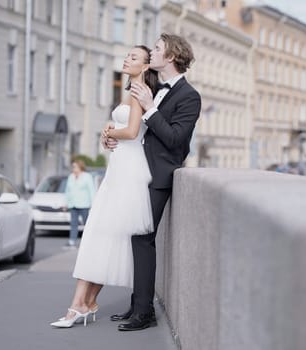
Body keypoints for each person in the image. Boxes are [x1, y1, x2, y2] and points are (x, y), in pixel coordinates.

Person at [50, 45, 159, 328]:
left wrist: (111, 132)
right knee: (103, 235)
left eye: (133, 57)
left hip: (130, 170)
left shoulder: (139, 91)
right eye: (127, 55)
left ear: (146, 66)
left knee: (105, 233)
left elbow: (133, 131)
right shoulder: (132, 91)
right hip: (119, 166)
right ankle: (83, 304)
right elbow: (125, 131)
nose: (126, 59)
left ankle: (81, 305)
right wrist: (107, 135)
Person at [105, 33, 201, 332]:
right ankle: (138, 304)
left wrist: (151, 108)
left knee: (143, 239)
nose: (153, 52)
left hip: (159, 177)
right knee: (136, 238)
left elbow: (175, 140)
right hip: (138, 172)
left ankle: (144, 312)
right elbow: (138, 130)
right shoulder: (155, 87)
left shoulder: (189, 96)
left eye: (157, 49)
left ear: (171, 56)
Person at [63, 159, 95, 248]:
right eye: (73, 167)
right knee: (73, 224)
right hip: (73, 204)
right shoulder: (71, 176)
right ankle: (72, 241)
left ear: (80, 167)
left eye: (75, 166)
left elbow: (91, 190)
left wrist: (93, 204)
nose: (73, 168)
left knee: (87, 224)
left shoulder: (87, 176)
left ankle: (90, 240)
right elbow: (67, 191)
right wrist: (65, 203)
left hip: (84, 204)